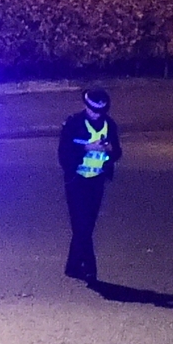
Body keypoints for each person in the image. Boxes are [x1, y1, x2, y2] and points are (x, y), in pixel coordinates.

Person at [57, 86, 123, 283]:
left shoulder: (110, 125)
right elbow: (63, 154)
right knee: (82, 225)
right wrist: (86, 148)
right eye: (93, 110)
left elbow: (118, 152)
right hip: (77, 180)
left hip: (97, 180)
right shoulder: (73, 124)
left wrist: (110, 150)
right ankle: (90, 269)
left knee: (86, 226)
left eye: (100, 112)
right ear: (85, 106)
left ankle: (72, 266)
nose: (96, 115)